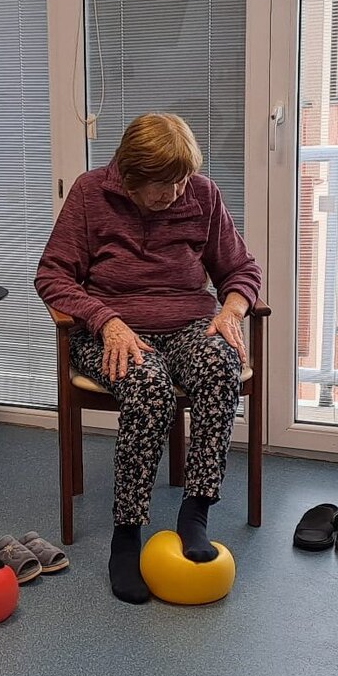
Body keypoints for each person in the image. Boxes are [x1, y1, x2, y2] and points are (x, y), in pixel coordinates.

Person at [34, 112, 263, 604]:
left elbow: (241, 268)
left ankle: (196, 511)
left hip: (188, 325)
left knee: (219, 364)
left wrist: (232, 310)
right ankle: (126, 535)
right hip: (111, 331)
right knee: (149, 387)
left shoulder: (202, 194)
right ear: (130, 175)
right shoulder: (90, 194)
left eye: (182, 180)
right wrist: (105, 320)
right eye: (163, 184)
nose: (175, 193)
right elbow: (52, 275)